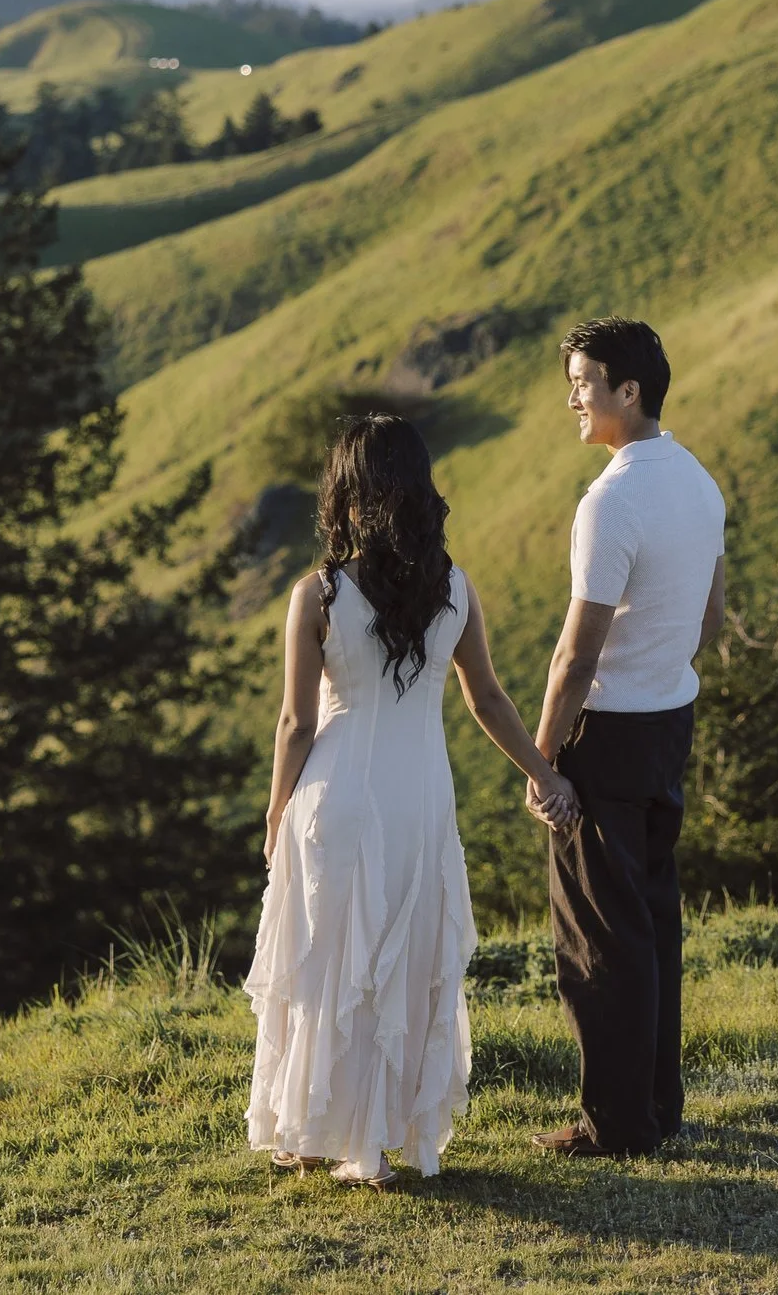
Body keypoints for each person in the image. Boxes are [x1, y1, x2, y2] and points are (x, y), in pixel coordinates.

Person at [244, 413, 579, 1187]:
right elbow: (488, 697)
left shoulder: (319, 593)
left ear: (349, 491)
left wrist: (274, 813)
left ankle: (313, 1126)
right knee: (401, 964)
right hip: (423, 794)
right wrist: (543, 772)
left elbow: (296, 721)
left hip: (336, 795)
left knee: (328, 959)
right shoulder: (455, 587)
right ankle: (383, 1133)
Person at [530, 317, 725, 1158]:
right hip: (669, 721)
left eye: (583, 381)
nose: (572, 397)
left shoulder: (611, 501)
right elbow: (712, 620)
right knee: (650, 920)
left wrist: (541, 760)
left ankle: (617, 1125)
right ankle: (655, 1105)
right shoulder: (700, 482)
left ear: (627, 391)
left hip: (605, 733)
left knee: (600, 938)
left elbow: (575, 655)